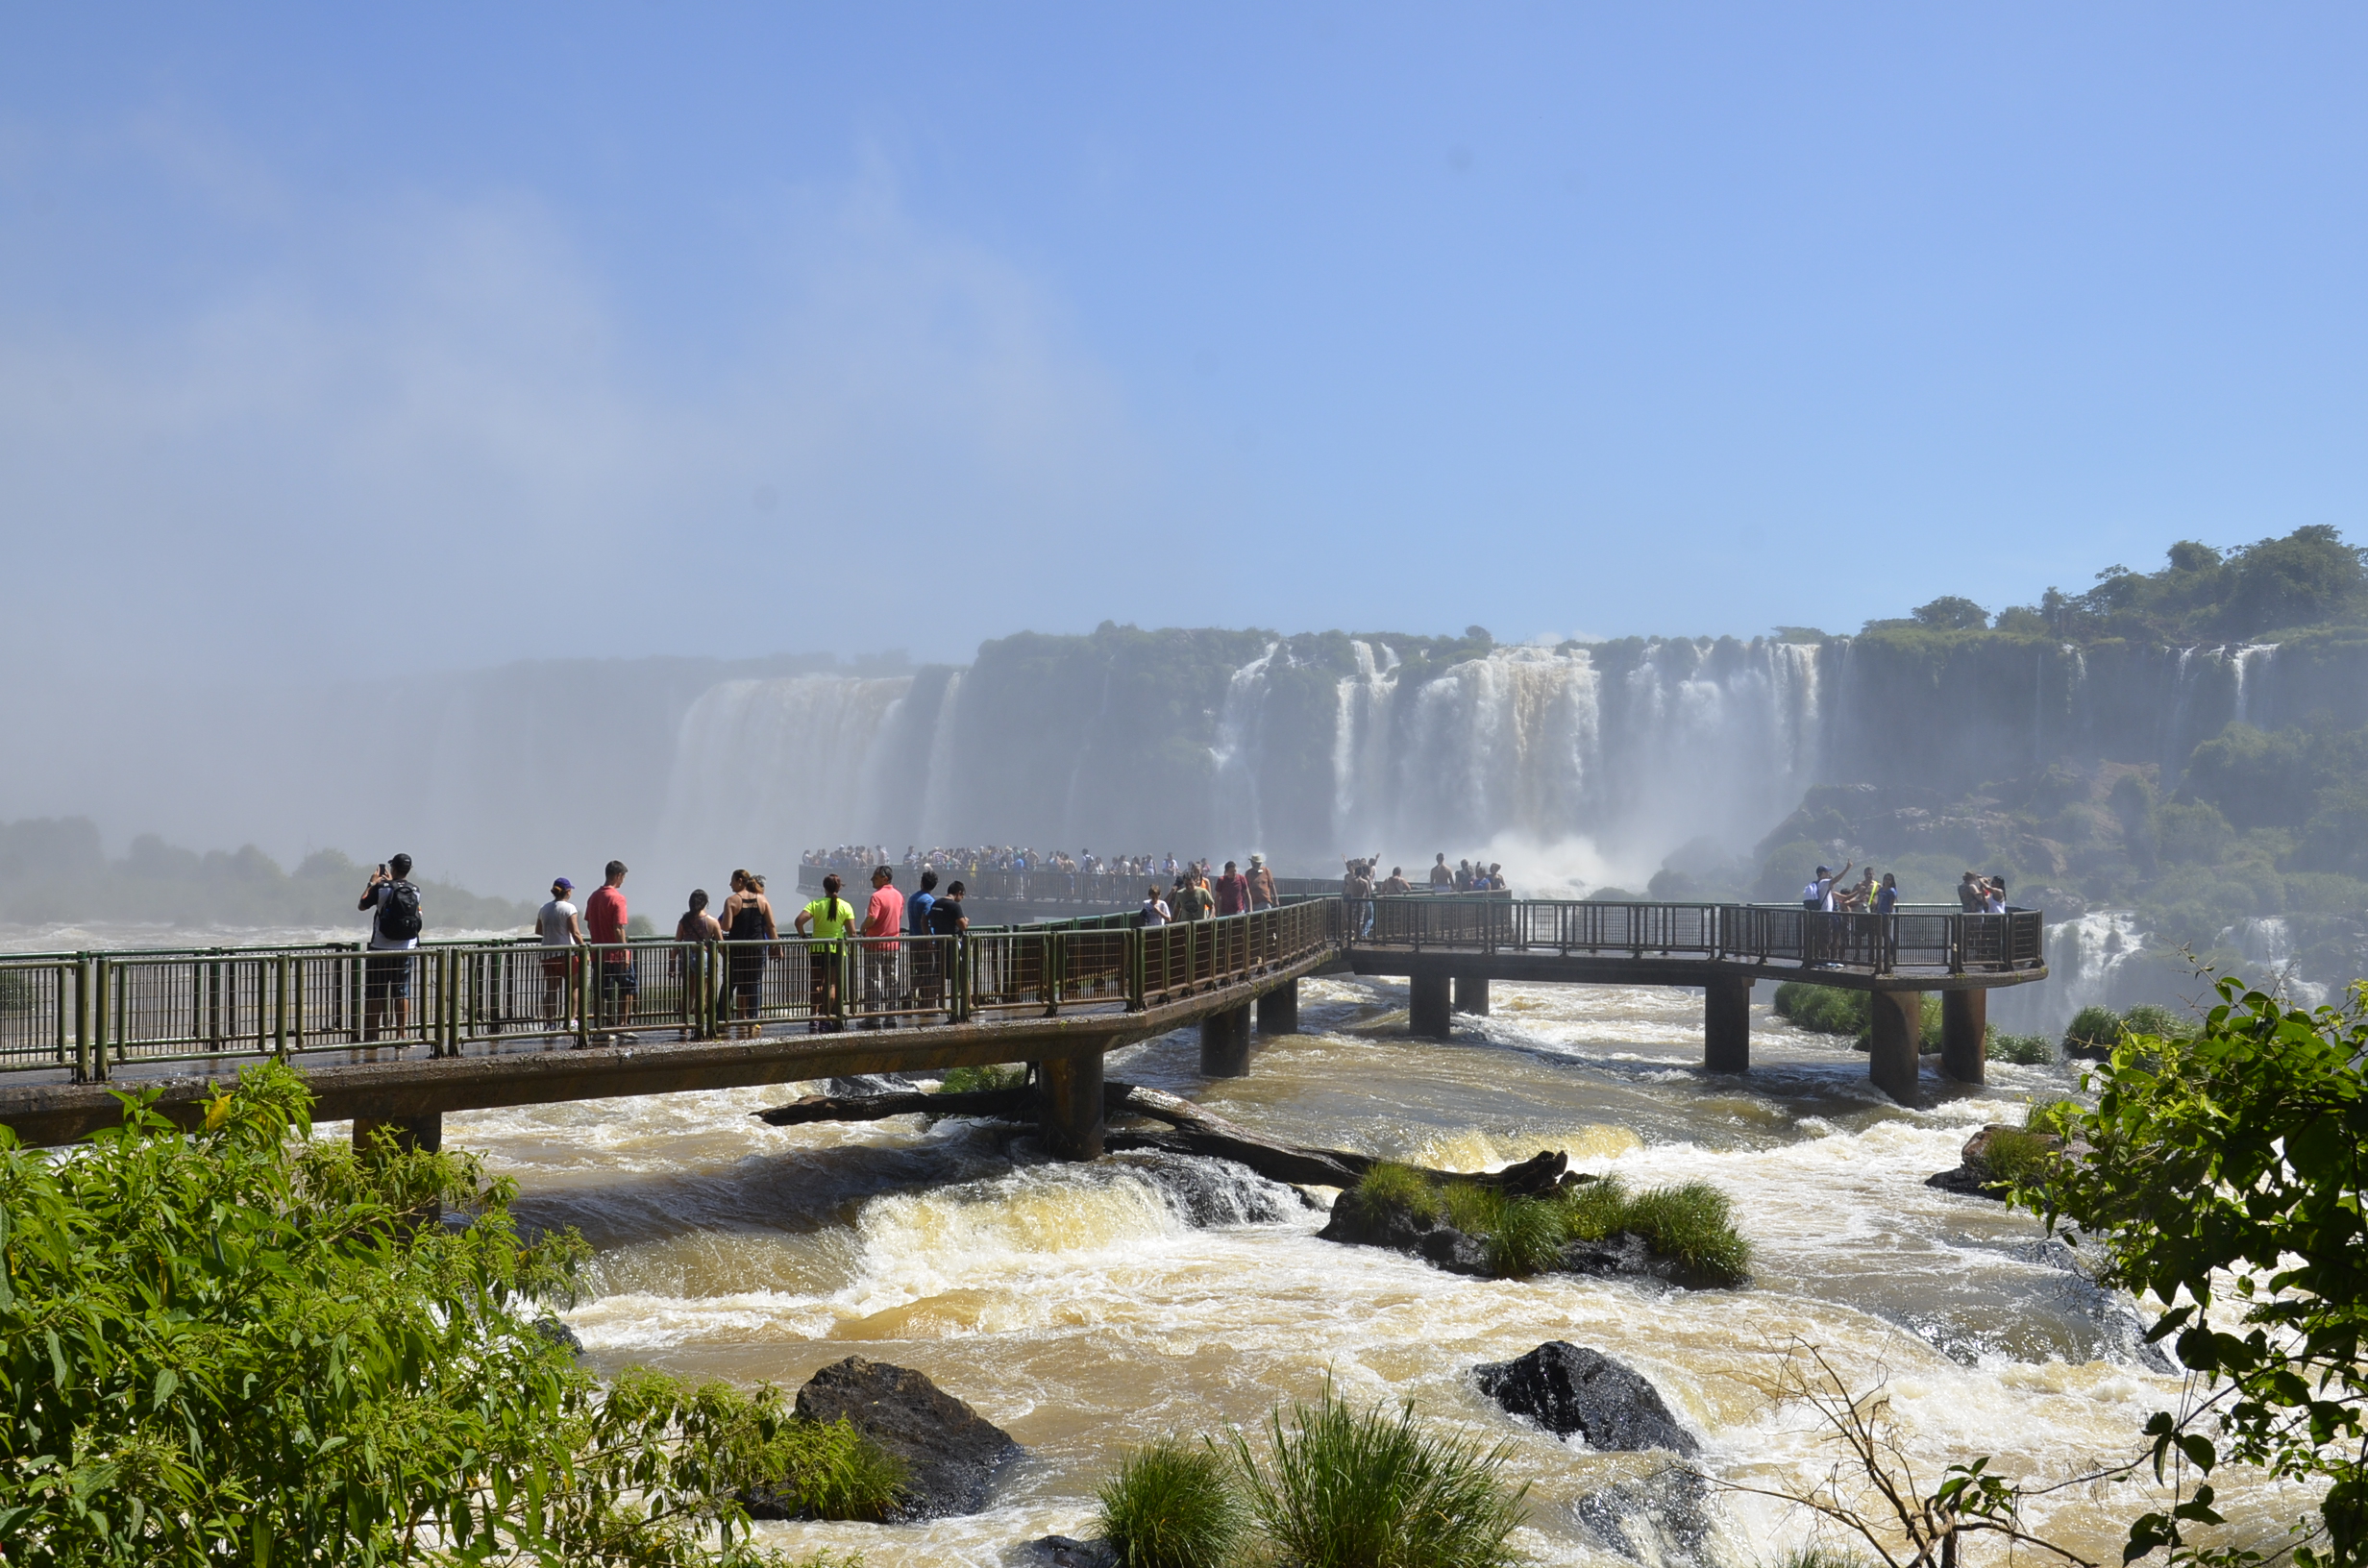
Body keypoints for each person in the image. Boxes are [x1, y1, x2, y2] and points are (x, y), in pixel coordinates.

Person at [358, 853, 423, 1045]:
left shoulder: (381, 888)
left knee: (376, 993)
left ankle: (372, 1036)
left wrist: (371, 883)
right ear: (408, 870)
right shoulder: (415, 890)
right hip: (406, 948)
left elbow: (362, 905)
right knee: (401, 992)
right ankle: (401, 1035)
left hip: (380, 948)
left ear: (392, 868)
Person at [796, 873, 857, 1031]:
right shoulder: (846, 906)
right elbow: (852, 933)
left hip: (817, 948)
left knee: (816, 984)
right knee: (832, 984)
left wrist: (804, 937)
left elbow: (799, 921)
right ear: (839, 888)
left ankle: (813, 1018)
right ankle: (825, 1016)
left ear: (824, 887)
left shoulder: (816, 904)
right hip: (836, 950)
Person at [719, 870, 775, 1039]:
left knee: (730, 984)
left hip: (738, 948)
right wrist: (776, 946)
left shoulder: (731, 901)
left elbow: (726, 927)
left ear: (740, 881)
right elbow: (771, 925)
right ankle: (754, 1020)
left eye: (732, 881)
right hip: (757, 948)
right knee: (755, 983)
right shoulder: (762, 900)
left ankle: (720, 1019)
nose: (731, 885)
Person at [584, 860, 635, 1042]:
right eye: (623, 877)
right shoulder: (617, 898)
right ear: (618, 876)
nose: (623, 881)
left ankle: (600, 1027)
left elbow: (589, 923)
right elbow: (618, 928)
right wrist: (625, 952)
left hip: (599, 954)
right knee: (627, 988)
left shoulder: (593, 897)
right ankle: (622, 1025)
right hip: (615, 954)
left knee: (601, 992)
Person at [535, 876, 586, 1035]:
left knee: (551, 990)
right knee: (575, 986)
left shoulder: (544, 908)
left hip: (547, 954)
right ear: (568, 891)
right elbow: (575, 932)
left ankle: (549, 1023)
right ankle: (571, 1021)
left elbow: (538, 930)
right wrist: (584, 948)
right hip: (566, 955)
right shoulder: (569, 908)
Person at [857, 866, 904, 1029]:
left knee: (873, 981)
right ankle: (892, 1016)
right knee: (892, 981)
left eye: (875, 877)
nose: (871, 879)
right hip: (893, 945)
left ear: (885, 879)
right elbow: (898, 916)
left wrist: (863, 928)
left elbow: (872, 918)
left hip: (874, 945)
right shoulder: (898, 895)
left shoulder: (876, 896)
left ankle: (873, 1017)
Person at [672, 889, 721, 1040]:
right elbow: (720, 943)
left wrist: (671, 964)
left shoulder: (684, 922)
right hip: (704, 959)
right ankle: (701, 1025)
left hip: (686, 958)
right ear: (706, 903)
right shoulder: (712, 922)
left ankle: (684, 1026)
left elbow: (676, 943)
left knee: (689, 993)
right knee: (703, 994)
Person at [908, 869, 943, 1015]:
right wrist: (928, 937)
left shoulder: (912, 898)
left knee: (920, 971)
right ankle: (928, 1004)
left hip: (914, 940)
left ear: (921, 882)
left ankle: (910, 996)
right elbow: (925, 920)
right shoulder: (929, 900)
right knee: (930, 973)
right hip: (925, 942)